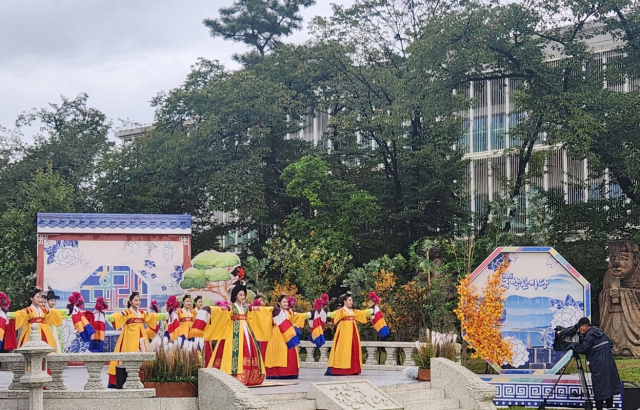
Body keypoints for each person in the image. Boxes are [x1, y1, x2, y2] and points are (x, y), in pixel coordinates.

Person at [190, 282, 273, 386]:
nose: (243, 297)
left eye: (244, 295)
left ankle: (250, 376)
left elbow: (260, 311)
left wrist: (272, 311)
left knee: (249, 350)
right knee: (233, 352)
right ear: (235, 296)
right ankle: (233, 375)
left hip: (246, 331)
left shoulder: (247, 309)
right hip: (233, 333)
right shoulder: (231, 308)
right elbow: (220, 311)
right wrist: (209, 309)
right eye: (240, 295)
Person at [106, 291, 165, 388]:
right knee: (126, 357)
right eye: (135, 300)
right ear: (130, 301)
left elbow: (151, 316)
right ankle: (119, 380)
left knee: (142, 356)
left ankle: (142, 379)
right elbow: (118, 316)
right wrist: (111, 317)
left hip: (141, 338)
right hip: (128, 338)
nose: (138, 302)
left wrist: (161, 316)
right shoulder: (127, 313)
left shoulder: (141, 313)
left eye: (139, 300)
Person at [573, 317, 623, 410]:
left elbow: (583, 349)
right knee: (609, 386)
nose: (579, 330)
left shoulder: (589, 335)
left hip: (598, 365)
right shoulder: (599, 331)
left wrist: (574, 346)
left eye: (579, 327)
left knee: (599, 387)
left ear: (585, 326)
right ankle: (609, 407)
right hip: (609, 363)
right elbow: (610, 344)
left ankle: (599, 408)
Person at [325, 292, 373, 376]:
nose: (351, 302)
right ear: (344, 301)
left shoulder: (352, 311)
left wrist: (372, 310)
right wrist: (326, 313)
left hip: (353, 332)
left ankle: (353, 369)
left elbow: (361, 313)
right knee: (343, 349)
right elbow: (334, 314)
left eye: (352, 300)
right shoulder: (341, 311)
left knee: (353, 348)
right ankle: (341, 368)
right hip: (344, 333)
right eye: (349, 300)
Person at [261, 295, 309, 379]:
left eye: (286, 302)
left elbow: (298, 316)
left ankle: (290, 372)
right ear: (279, 303)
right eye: (283, 302)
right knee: (277, 353)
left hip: (288, 333)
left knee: (290, 351)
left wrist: (309, 314)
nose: (286, 303)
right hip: (277, 334)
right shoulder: (275, 312)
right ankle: (276, 373)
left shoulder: (289, 312)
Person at [45, 287, 63, 353]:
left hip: (56, 328)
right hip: (48, 328)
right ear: (47, 301)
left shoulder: (56, 311)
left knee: (58, 343)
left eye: (54, 301)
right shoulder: (45, 310)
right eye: (51, 301)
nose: (53, 302)